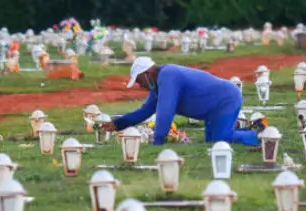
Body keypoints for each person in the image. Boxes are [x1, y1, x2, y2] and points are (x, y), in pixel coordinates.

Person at [103, 57, 260, 146]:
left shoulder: (168, 75)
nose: (139, 85)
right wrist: (117, 124)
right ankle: (254, 132)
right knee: (212, 142)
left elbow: (166, 110)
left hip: (226, 99)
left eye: (139, 80)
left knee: (222, 140)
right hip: (214, 108)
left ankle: (261, 137)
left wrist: (158, 141)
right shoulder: (158, 86)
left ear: (147, 73)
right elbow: (145, 111)